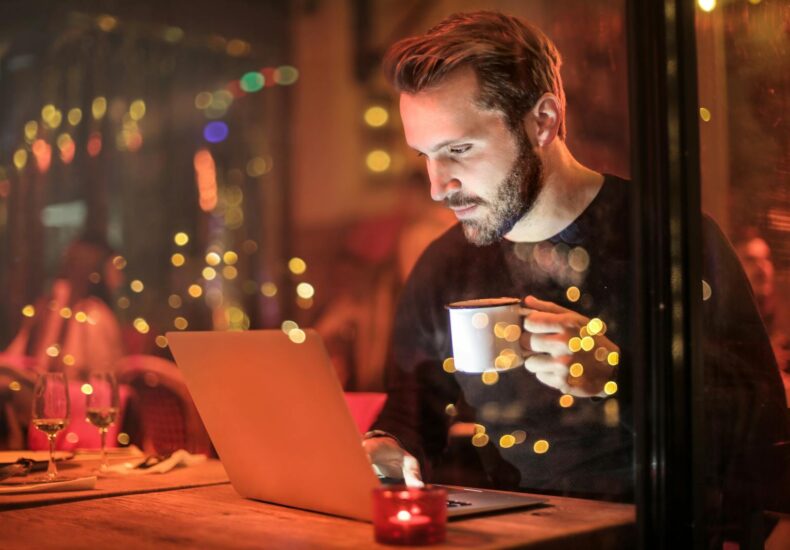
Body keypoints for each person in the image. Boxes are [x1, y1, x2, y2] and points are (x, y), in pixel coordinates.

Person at [361, 10, 788, 541]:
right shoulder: (446, 262)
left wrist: (617, 379)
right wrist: (386, 445)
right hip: (515, 538)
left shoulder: (670, 240)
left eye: (459, 149)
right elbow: (414, 407)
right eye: (425, 156)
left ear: (543, 120)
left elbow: (761, 432)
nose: (437, 185)